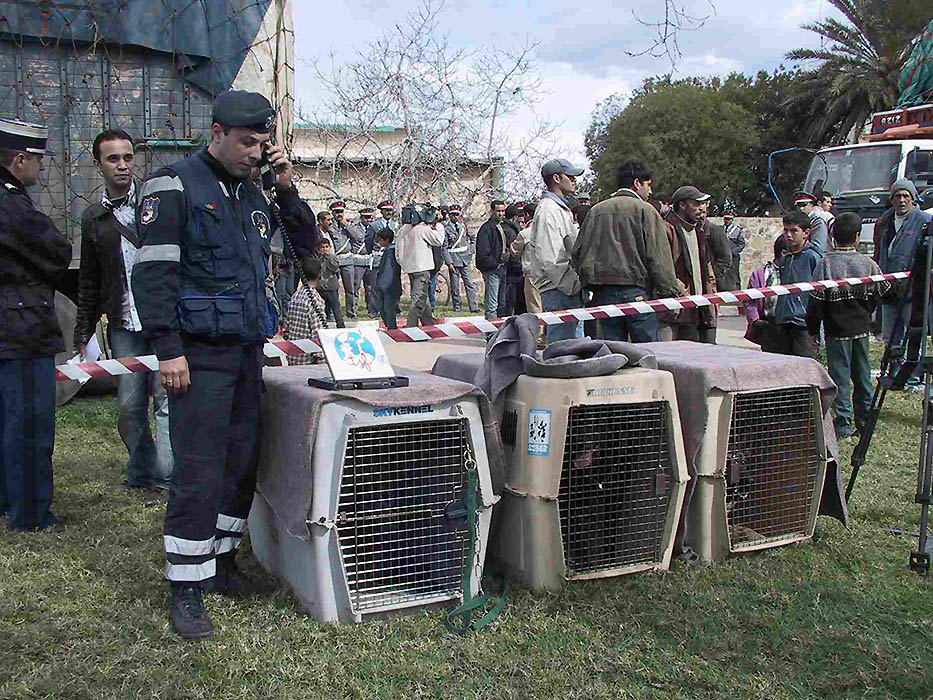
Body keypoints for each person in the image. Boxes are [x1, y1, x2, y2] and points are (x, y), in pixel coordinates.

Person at [131, 90, 305, 639]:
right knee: (200, 468)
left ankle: (221, 562)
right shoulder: (174, 185)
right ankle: (185, 583)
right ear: (218, 133)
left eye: (262, 144)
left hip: (247, 349)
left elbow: (308, 247)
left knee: (241, 462)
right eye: (247, 142)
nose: (255, 152)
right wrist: (167, 348)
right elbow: (153, 274)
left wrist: (284, 185)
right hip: (197, 354)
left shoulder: (255, 194)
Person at [73, 129, 173, 495]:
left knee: (166, 401)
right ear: (98, 164)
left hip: (162, 320)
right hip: (123, 323)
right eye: (113, 159)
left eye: (128, 158)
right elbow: (89, 279)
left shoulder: (155, 205)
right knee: (130, 407)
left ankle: (166, 476)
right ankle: (142, 469)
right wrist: (82, 332)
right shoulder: (94, 218)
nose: (122, 165)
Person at [0, 118, 72, 532]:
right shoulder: (12, 205)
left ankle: (8, 500)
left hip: (8, 325)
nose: (39, 170)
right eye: (38, 161)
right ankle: (29, 513)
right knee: (29, 422)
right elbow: (58, 252)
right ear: (20, 161)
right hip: (21, 327)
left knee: (7, 419)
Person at [572, 161, 679, 343]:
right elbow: (658, 257)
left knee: (612, 352)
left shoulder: (596, 211)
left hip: (602, 294)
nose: (650, 191)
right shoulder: (646, 211)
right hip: (637, 292)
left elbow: (578, 253)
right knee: (647, 352)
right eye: (648, 185)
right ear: (637, 183)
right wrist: (669, 292)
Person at [806, 213, 890, 439]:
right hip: (861, 329)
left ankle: (843, 425)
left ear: (833, 236)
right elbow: (882, 291)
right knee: (863, 377)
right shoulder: (868, 264)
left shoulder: (825, 264)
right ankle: (866, 424)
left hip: (835, 331)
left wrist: (813, 328)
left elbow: (816, 301)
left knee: (840, 378)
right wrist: (868, 309)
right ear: (857, 236)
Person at [875, 179, 933, 387]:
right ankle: (894, 374)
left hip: (914, 289)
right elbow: (879, 251)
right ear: (891, 199)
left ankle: (914, 377)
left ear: (913, 198)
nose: (901, 200)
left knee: (914, 334)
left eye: (905, 196)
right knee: (890, 336)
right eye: (897, 196)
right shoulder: (885, 221)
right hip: (889, 288)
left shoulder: (925, 221)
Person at [528, 158, 586, 343]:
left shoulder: (559, 208)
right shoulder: (548, 210)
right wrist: (573, 285)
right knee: (563, 351)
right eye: (570, 176)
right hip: (560, 291)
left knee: (575, 349)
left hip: (564, 290)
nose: (574, 180)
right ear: (556, 178)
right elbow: (550, 259)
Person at [659, 186, 716, 341]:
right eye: (696, 203)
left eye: (703, 204)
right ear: (682, 205)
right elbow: (662, 269)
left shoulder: (699, 231)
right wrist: (683, 293)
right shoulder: (666, 229)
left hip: (695, 310)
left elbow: (706, 270)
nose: (701, 208)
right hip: (672, 311)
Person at [768, 210, 823, 357]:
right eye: (786, 230)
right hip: (783, 320)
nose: (789, 235)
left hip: (803, 324)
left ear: (806, 233)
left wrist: (815, 321)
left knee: (803, 365)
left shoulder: (813, 257)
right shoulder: (786, 258)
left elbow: (819, 291)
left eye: (794, 231)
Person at [395, 203, 444, 327]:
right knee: (418, 300)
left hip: (410, 268)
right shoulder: (422, 229)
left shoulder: (403, 230)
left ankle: (429, 325)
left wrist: (403, 263)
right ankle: (411, 327)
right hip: (422, 269)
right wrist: (439, 226)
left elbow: (397, 252)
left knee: (422, 297)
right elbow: (438, 240)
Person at [744, 235, 788, 348]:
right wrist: (755, 320)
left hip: (790, 326)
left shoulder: (794, 272)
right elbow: (750, 301)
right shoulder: (761, 275)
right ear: (783, 253)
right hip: (768, 326)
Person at [282, 257, 327, 366]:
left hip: (293, 359)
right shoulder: (315, 300)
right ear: (319, 275)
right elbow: (318, 334)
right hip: (309, 363)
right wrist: (323, 361)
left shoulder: (295, 296)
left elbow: (286, 329)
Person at [475, 201, 514, 320]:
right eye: (498, 211)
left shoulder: (504, 226)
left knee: (502, 304)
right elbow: (483, 253)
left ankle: (500, 328)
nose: (501, 214)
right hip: (492, 270)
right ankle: (490, 329)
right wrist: (496, 263)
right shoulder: (486, 229)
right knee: (492, 305)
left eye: (503, 211)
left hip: (503, 269)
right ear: (492, 211)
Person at [329, 200, 365, 319]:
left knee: (350, 288)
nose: (339, 214)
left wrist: (347, 226)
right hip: (334, 259)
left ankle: (351, 312)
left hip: (348, 260)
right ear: (333, 213)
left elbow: (359, 237)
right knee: (332, 288)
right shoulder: (330, 226)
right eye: (337, 212)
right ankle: (332, 312)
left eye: (341, 211)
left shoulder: (349, 225)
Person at [443, 204, 479, 313]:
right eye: (453, 214)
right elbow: (444, 248)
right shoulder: (446, 229)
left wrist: (471, 250)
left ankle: (473, 306)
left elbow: (473, 237)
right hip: (453, 260)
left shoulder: (464, 226)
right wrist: (449, 263)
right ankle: (457, 306)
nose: (455, 217)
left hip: (465, 259)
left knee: (469, 283)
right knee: (455, 286)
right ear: (449, 215)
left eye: (457, 214)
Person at [366, 200, 397, 316]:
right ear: (381, 211)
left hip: (391, 257)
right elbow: (368, 241)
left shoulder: (395, 225)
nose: (389, 212)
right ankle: (374, 310)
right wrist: (373, 251)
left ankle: (394, 307)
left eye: (390, 210)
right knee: (374, 285)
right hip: (378, 257)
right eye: (386, 210)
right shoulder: (374, 225)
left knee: (392, 283)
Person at [313, 229, 344, 329]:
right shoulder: (318, 259)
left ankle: (341, 326)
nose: (325, 249)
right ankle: (323, 325)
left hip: (331, 286)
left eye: (327, 247)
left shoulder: (332, 257)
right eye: (322, 247)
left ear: (330, 247)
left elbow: (334, 268)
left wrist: (328, 257)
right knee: (322, 308)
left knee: (336, 308)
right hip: (321, 287)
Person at [500, 202, 525, 316]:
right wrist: (519, 268)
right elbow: (513, 253)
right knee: (510, 303)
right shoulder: (510, 231)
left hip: (509, 270)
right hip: (513, 272)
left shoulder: (505, 227)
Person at [374, 228, 402, 329]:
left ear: (386, 240)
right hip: (385, 286)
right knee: (382, 308)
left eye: (380, 240)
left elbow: (388, 270)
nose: (379, 242)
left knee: (388, 309)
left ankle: (392, 329)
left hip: (389, 286)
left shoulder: (391, 253)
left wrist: (383, 285)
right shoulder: (388, 251)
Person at [351, 207, 375, 317]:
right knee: (355, 286)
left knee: (370, 287)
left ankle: (371, 309)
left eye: (369, 217)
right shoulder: (354, 228)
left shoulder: (373, 228)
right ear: (361, 218)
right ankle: (353, 310)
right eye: (366, 217)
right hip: (358, 259)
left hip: (369, 259)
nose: (368, 219)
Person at [720, 211, 746, 292]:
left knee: (735, 274)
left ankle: (737, 291)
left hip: (733, 257)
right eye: (725, 219)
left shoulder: (737, 230)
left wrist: (733, 252)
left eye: (729, 219)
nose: (727, 221)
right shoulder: (720, 229)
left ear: (732, 220)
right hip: (722, 256)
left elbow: (741, 244)